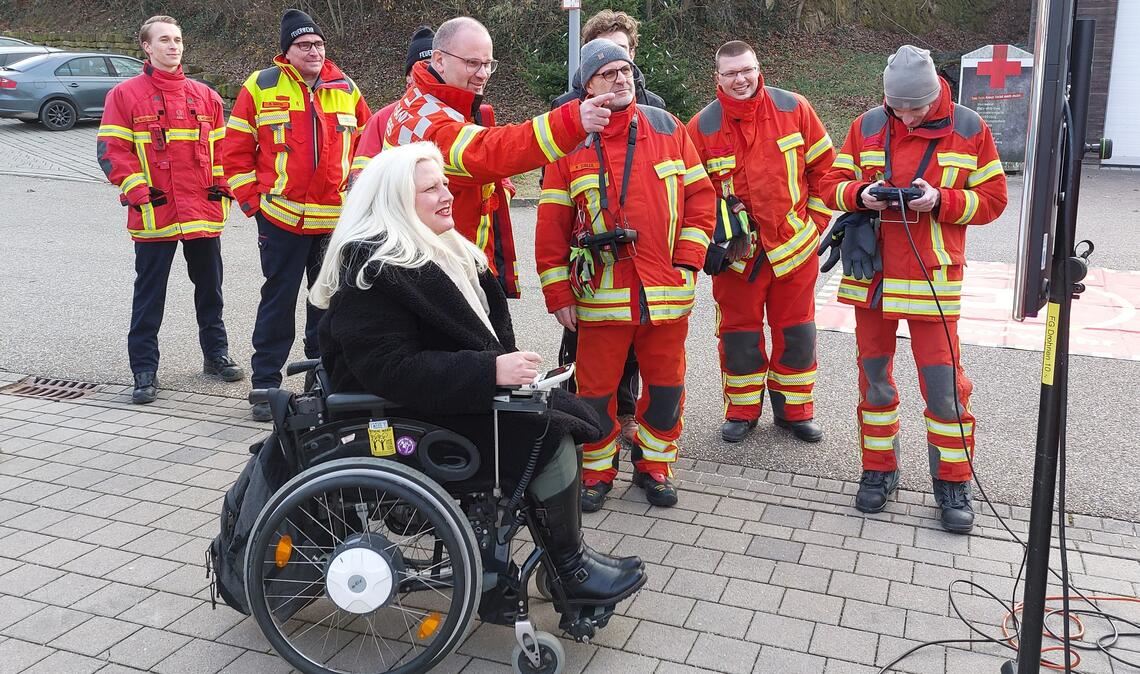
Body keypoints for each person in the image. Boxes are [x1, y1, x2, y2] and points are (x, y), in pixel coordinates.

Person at [311, 141, 647, 605]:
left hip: (437, 399)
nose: (447, 195)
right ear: (396, 201)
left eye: (445, 184)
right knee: (546, 435)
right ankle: (569, 572)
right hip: (400, 416)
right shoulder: (372, 268)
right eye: (431, 189)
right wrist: (491, 370)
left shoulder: (436, 248)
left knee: (558, 416)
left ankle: (565, 562)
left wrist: (506, 372)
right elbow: (388, 368)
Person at [819, 45, 1007, 533]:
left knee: (945, 392)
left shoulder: (969, 128)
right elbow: (831, 184)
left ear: (935, 94)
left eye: (915, 108)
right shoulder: (867, 124)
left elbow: (993, 200)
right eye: (896, 107)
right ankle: (879, 472)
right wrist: (860, 194)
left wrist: (940, 200)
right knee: (874, 382)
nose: (904, 116)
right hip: (874, 278)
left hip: (932, 279)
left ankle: (952, 482)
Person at [535, 39, 715, 511]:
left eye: (626, 71)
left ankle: (655, 466)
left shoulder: (667, 127)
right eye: (607, 73)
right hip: (601, 296)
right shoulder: (568, 143)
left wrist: (689, 261)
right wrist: (558, 293)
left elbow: (701, 198)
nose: (620, 79)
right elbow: (551, 226)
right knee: (594, 393)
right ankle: (595, 473)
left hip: (667, 292)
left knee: (667, 387)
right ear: (587, 87)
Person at [384, 16, 614, 299]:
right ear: (439, 59)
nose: (483, 74)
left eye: (488, 64)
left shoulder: (435, 103)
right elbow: (487, 151)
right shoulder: (428, 119)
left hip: (455, 265)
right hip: (439, 275)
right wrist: (572, 122)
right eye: (472, 63)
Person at [221, 8, 371, 421]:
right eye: (304, 45)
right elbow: (233, 155)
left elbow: (369, 148)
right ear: (286, 51)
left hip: (334, 222)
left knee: (326, 306)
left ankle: (320, 381)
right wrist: (255, 205)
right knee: (278, 300)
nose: (314, 51)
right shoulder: (261, 86)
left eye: (319, 45)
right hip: (281, 219)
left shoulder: (347, 88)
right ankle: (265, 384)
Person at [686, 40, 835, 445]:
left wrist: (815, 224)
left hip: (794, 249)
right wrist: (709, 243)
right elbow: (690, 194)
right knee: (738, 335)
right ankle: (741, 411)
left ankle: (796, 411)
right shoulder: (700, 127)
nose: (741, 80)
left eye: (747, 70)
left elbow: (826, 171)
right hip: (739, 259)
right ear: (717, 77)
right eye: (731, 73)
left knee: (797, 333)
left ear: (758, 67)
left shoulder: (794, 109)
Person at [97, 15, 243, 405]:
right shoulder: (125, 96)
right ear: (146, 46)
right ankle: (144, 370)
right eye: (164, 40)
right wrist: (137, 189)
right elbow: (112, 151)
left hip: (202, 212)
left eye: (177, 39)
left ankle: (216, 356)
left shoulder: (206, 96)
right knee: (149, 296)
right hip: (156, 214)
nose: (173, 46)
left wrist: (225, 187)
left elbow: (222, 153)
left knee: (210, 291)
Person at [549, 9, 665, 458]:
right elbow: (554, 194)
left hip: (641, 258)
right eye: (606, 60)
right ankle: (584, 426)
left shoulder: (654, 110)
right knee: (583, 345)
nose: (619, 70)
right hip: (589, 257)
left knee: (637, 345)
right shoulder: (566, 111)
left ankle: (629, 414)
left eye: (626, 55)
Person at [348, 25, 435, 185]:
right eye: (423, 66)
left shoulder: (463, 113)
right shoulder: (382, 120)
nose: (429, 72)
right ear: (408, 76)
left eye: (434, 66)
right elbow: (360, 181)